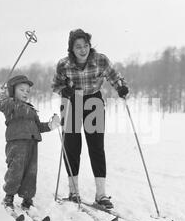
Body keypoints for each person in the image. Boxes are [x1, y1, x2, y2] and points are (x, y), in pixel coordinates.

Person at [52, 29, 129, 209]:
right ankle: (73, 191)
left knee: (96, 146)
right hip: (72, 101)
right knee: (72, 145)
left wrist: (121, 88)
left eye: (85, 45)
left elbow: (115, 77)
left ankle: (101, 195)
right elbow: (55, 84)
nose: (83, 50)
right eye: (78, 47)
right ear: (71, 49)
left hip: (93, 100)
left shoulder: (100, 60)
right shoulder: (63, 64)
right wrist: (64, 90)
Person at [0, 75, 61, 210]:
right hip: (16, 143)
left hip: (32, 143)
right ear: (12, 90)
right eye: (22, 90)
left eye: (27, 91)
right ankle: (9, 196)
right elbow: (3, 105)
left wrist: (50, 125)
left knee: (31, 171)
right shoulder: (11, 105)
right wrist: (2, 95)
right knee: (16, 170)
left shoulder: (31, 109)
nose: (25, 93)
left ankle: (27, 198)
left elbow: (38, 127)